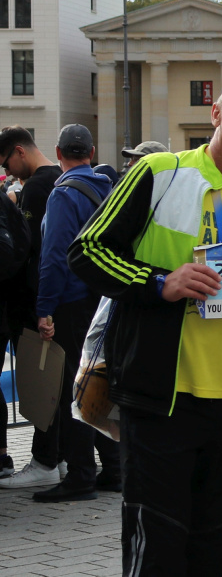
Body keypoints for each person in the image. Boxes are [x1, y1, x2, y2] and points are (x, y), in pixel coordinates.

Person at [69, 74, 222, 576]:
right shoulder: (159, 173)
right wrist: (158, 282)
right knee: (157, 551)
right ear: (217, 113)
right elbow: (85, 250)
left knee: (211, 551)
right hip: (163, 399)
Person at [17, 125, 121, 501]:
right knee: (98, 381)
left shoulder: (63, 194)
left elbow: (54, 257)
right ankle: (114, 467)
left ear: (58, 153)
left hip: (72, 302)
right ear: (91, 152)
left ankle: (80, 475)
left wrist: (44, 310)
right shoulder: (107, 187)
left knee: (72, 392)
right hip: (102, 299)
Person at [0, 126, 63, 487]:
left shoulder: (38, 187)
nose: (8, 172)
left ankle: (44, 460)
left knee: (40, 384)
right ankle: (60, 458)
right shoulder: (59, 179)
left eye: (7, 162)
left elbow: (34, 250)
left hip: (37, 299)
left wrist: (42, 307)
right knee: (53, 381)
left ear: (21, 152)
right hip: (53, 298)